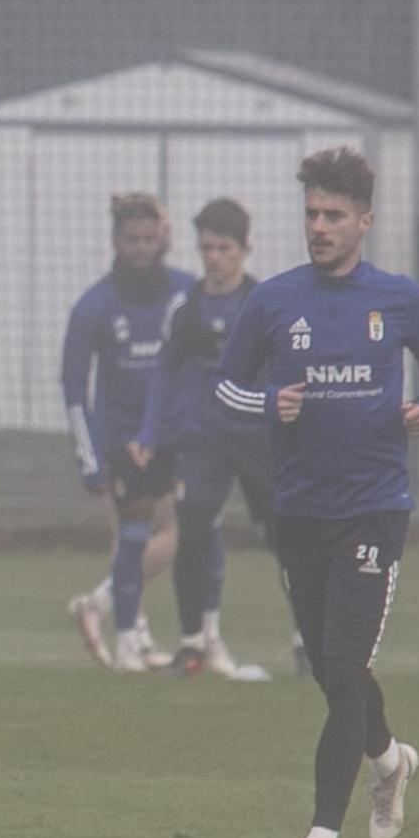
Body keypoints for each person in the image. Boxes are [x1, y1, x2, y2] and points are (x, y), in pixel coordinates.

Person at [214, 146, 419, 838]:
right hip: (300, 512)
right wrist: (268, 404)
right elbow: (224, 386)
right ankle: (389, 761)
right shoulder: (275, 302)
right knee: (330, 670)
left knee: (345, 664)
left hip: (375, 509)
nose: (318, 226)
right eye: (312, 213)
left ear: (364, 221)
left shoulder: (397, 298)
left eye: (334, 215)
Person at [135, 197, 289, 678]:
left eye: (224, 248)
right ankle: (192, 646)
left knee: (287, 539)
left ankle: (309, 645)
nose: (214, 258)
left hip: (260, 437)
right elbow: (165, 371)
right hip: (204, 437)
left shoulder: (265, 305)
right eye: (206, 248)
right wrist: (150, 431)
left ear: (245, 249)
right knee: (194, 527)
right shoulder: (186, 307)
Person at [62, 192, 194, 672]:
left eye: (149, 238)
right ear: (116, 242)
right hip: (122, 438)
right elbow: (74, 387)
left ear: (163, 239)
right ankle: (124, 634)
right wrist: (89, 456)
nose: (141, 248)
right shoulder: (94, 305)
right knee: (141, 532)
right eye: (131, 239)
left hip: (172, 435)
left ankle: (115, 616)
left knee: (170, 533)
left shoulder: (185, 292)